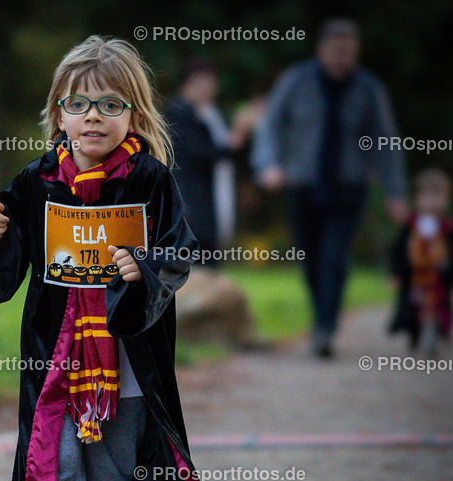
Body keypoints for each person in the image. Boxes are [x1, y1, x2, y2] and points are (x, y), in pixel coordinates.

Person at [0, 36, 247, 481]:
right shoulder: (35, 181)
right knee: (53, 462)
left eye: (111, 105)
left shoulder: (152, 181)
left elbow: (178, 254)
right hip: (54, 355)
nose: (94, 116)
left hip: (129, 360)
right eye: (80, 104)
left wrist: (145, 266)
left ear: (133, 115)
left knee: (115, 472)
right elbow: (3, 268)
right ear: (58, 115)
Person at [251, 18, 408, 358]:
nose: (341, 58)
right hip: (303, 185)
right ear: (321, 50)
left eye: (348, 52)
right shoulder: (297, 80)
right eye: (335, 51)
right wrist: (268, 165)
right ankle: (321, 317)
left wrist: (395, 192)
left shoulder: (368, 89)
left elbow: (386, 141)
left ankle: (324, 328)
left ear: (356, 53)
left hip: (349, 188)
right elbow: (270, 124)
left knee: (334, 258)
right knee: (310, 259)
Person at [164, 58, 259, 259]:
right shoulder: (179, 113)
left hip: (201, 200)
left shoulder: (204, 113)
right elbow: (199, 153)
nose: (214, 88)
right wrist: (237, 137)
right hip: (190, 201)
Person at [389, 168, 453, 355]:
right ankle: (416, 334)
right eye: (427, 195)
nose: (431, 201)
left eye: (437, 195)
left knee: (438, 308)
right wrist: (396, 272)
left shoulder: (446, 228)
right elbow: (398, 250)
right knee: (412, 308)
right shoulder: (411, 226)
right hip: (415, 278)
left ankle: (433, 335)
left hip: (438, 279)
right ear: (417, 197)